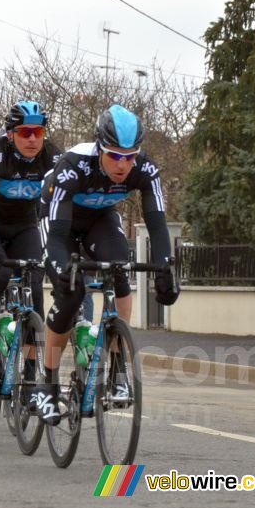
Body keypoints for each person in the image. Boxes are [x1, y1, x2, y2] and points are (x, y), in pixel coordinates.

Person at [34, 104, 180, 425]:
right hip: (59, 222)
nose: (122, 164)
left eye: (130, 156)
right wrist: (62, 271)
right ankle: (48, 384)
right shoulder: (73, 166)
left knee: (120, 269)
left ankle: (117, 369)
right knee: (70, 295)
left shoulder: (145, 169)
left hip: (99, 219)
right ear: (100, 148)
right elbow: (55, 236)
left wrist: (165, 267)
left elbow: (157, 225)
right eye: (114, 155)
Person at [0, 100, 62, 392]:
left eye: (38, 132)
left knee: (35, 286)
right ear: (10, 134)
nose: (32, 139)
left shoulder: (52, 157)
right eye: (25, 132)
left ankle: (29, 376)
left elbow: (59, 207)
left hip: (23, 226)